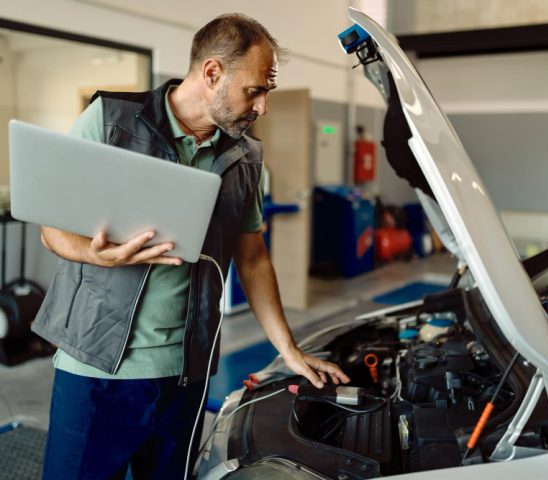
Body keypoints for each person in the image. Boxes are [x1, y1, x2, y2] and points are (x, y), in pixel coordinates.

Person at [34, 13, 350, 479]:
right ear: (212, 73)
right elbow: (52, 228)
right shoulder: (110, 120)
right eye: (255, 91)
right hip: (97, 368)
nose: (262, 107)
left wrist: (288, 349)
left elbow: (253, 257)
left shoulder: (245, 157)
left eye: (268, 93)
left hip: (186, 373)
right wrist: (93, 253)